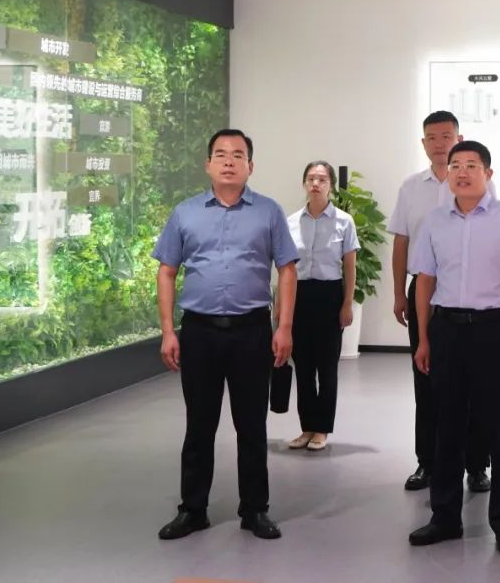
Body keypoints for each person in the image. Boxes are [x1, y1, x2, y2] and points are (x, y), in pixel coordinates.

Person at [152, 128, 298, 541]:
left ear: (251, 165)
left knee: (251, 425)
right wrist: (168, 331)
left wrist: (284, 327)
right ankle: (192, 509)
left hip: (251, 331)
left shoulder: (268, 212)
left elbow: (287, 270)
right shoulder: (185, 213)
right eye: (220, 154)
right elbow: (166, 271)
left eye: (237, 155)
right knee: (199, 425)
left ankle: (255, 509)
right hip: (199, 332)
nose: (229, 161)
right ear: (208, 164)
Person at [407, 140, 500, 557]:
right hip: (446, 330)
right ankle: (445, 517)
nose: (462, 172)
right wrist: (424, 338)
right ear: (446, 173)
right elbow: (424, 281)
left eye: (472, 165)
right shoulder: (434, 222)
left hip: (492, 331)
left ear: (488, 173)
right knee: (446, 425)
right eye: (455, 166)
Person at [388, 111, 491, 493]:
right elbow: (401, 242)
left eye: (446, 136)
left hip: (467, 292)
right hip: (423, 290)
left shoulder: (477, 183)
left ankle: (476, 464)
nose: (439, 143)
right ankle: (427, 463)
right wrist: (399, 292)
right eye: (431, 137)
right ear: (423, 143)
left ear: (458, 138)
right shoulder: (411, 187)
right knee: (427, 377)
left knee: (473, 382)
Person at [285, 161, 359, 451]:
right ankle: (306, 428)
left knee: (327, 368)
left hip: (329, 296)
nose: (315, 184)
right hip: (299, 295)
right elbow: (286, 268)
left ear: (331, 186)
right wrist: (281, 306)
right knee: (303, 367)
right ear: (304, 183)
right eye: (311, 179)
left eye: (322, 179)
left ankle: (322, 430)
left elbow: (350, 266)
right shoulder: (291, 221)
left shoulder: (344, 221)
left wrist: (347, 303)